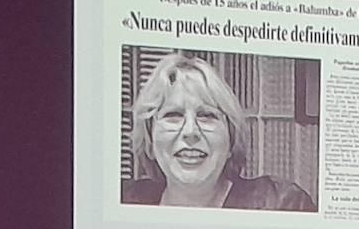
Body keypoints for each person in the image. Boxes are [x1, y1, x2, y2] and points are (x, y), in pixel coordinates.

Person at [122, 52, 315, 211]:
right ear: (149, 141)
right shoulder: (124, 200)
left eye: (207, 115)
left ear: (231, 140)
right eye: (173, 115)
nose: (191, 131)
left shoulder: (281, 204)